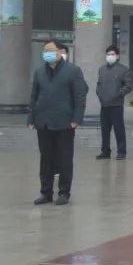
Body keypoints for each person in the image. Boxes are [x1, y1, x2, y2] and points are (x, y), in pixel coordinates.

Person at [27, 38, 88, 206]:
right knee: (45, 159)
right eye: (45, 51)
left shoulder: (73, 71)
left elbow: (80, 96)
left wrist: (77, 118)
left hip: (65, 123)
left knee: (64, 159)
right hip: (43, 122)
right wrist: (31, 117)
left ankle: (64, 192)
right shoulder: (39, 72)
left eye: (50, 50)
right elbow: (34, 97)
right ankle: (46, 193)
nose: (47, 53)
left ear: (61, 52)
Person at [95, 44, 133, 160]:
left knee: (118, 129)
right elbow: (99, 84)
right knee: (104, 130)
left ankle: (121, 151)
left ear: (117, 56)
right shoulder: (101, 69)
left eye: (112, 54)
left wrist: (119, 94)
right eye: (108, 54)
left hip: (116, 105)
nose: (110, 56)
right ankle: (105, 151)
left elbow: (128, 85)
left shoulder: (124, 70)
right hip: (104, 105)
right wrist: (99, 93)